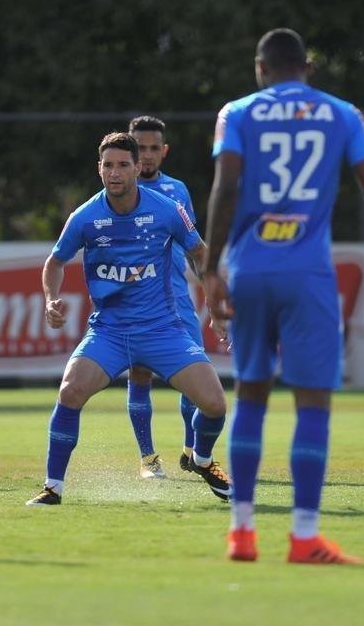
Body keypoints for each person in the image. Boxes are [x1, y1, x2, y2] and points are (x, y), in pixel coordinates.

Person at [204, 28, 364, 564]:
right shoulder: (343, 114)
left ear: (260, 67)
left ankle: (242, 534)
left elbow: (225, 189)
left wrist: (210, 269)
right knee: (313, 400)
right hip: (308, 274)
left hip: (250, 269)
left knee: (251, 392)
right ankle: (304, 537)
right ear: (308, 68)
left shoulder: (237, 112)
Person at [26, 132, 231, 506]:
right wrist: (51, 298)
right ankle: (52, 487)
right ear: (99, 169)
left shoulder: (167, 209)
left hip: (161, 330)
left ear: (138, 168)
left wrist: (216, 304)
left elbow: (199, 253)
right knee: (70, 391)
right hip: (109, 331)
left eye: (123, 165)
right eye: (108, 165)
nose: (115, 172)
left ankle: (201, 458)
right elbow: (55, 262)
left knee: (216, 403)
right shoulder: (85, 217)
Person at [124, 115, 208, 480]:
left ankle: (191, 450)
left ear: (164, 151)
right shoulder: (114, 194)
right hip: (134, 301)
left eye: (153, 148)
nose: (146, 155)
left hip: (177, 297)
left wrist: (215, 296)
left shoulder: (177, 191)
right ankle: (148, 458)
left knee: (195, 373)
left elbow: (194, 247)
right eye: (139, 148)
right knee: (140, 374)